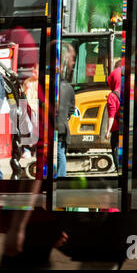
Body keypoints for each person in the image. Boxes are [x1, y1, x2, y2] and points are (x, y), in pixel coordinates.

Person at [56, 43, 76, 177]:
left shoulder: (54, 88)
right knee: (61, 152)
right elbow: (71, 109)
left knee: (58, 152)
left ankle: (60, 176)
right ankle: (61, 175)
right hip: (64, 126)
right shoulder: (69, 88)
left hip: (56, 125)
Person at [105, 62, 122, 170]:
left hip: (116, 129)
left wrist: (107, 131)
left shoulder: (112, 96)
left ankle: (119, 174)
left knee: (116, 150)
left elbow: (111, 115)